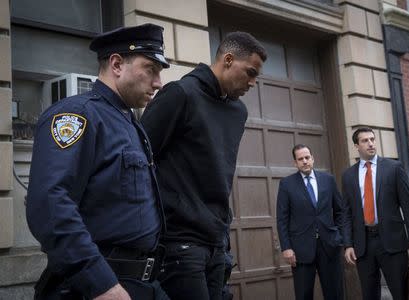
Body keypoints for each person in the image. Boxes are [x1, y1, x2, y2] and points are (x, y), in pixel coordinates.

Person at [26, 23, 170, 300]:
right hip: (99, 287)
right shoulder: (77, 115)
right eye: (151, 69)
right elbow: (50, 204)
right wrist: (100, 284)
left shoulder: (130, 123)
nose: (158, 83)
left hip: (143, 283)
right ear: (117, 64)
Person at [140, 31, 267, 300]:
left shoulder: (238, 111)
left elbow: (218, 174)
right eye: (250, 72)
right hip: (179, 242)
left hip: (217, 242)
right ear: (229, 60)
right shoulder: (180, 94)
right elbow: (141, 162)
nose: (253, 82)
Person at [342, 127, 409, 300]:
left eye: (372, 139)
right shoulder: (348, 175)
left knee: (400, 292)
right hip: (363, 244)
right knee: (369, 293)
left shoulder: (394, 168)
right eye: (365, 141)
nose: (370, 144)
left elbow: (408, 205)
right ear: (356, 145)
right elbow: (346, 213)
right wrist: (348, 244)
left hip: (392, 241)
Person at [276, 144, 344, 300]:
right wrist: (286, 247)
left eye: (307, 157)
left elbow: (340, 211)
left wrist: (339, 237)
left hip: (329, 246)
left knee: (335, 293)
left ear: (312, 159)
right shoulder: (286, 184)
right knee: (303, 294)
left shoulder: (328, 180)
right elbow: (282, 219)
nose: (305, 161)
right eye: (300, 159)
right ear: (295, 163)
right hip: (301, 250)